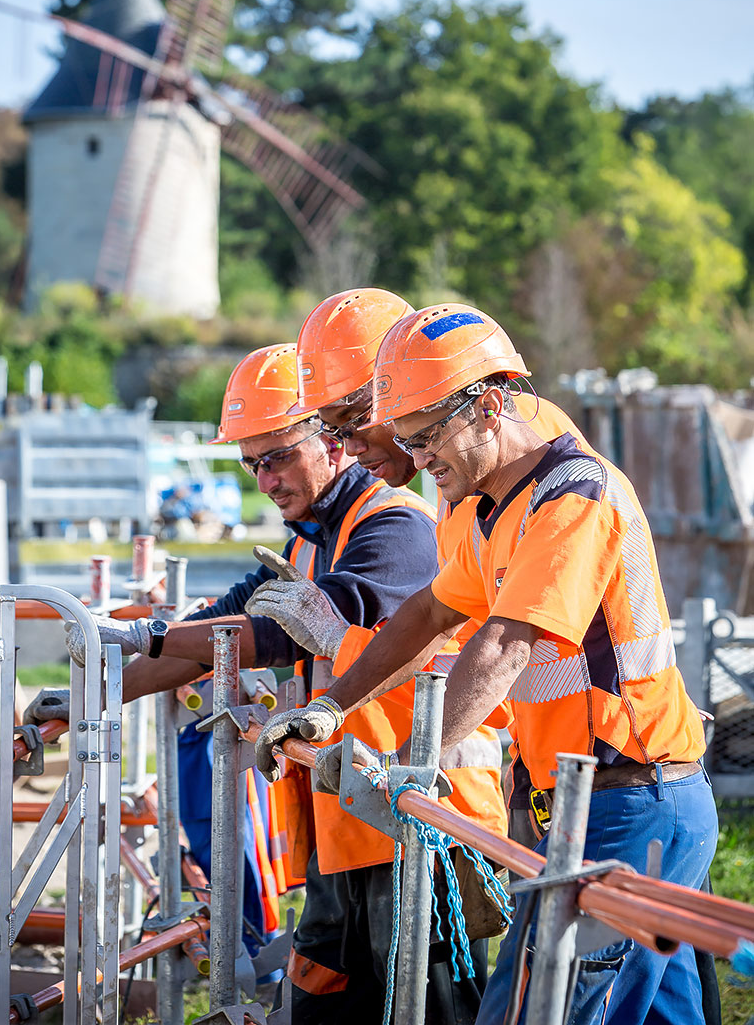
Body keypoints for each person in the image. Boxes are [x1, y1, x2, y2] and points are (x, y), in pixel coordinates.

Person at [256, 304, 718, 1025]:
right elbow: (429, 614)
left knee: (534, 1011)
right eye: (406, 438)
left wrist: (411, 762)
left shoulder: (571, 497)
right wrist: (330, 706)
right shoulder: (484, 508)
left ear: (491, 406)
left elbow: (505, 645)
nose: (420, 458)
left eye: (427, 436)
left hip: (631, 806)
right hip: (586, 802)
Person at [26, 340, 443, 1022]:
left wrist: (145, 633)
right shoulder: (309, 536)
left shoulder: (393, 530)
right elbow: (217, 634)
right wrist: (90, 696)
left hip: (410, 809)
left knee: (425, 1003)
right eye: (252, 464)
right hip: (350, 811)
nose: (266, 481)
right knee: (327, 1000)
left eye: (278, 456)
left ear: (332, 439)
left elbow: (270, 636)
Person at [248, 290, 507, 1022]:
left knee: (433, 1001)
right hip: (375, 799)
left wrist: (335, 654)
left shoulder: (408, 520)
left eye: (351, 423)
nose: (350, 444)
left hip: (429, 805)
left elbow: (489, 648)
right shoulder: (454, 507)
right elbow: (427, 625)